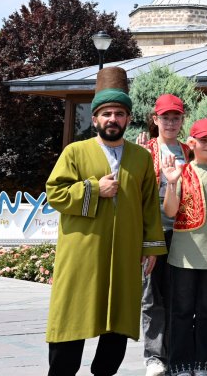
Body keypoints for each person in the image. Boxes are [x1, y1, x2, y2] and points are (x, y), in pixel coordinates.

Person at [44, 67, 167, 376]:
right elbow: (54, 193)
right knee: (72, 316)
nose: (113, 119)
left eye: (120, 113)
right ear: (96, 119)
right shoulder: (75, 151)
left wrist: (151, 247)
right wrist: (94, 189)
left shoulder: (140, 157)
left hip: (125, 254)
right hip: (83, 253)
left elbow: (150, 205)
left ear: (128, 119)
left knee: (118, 320)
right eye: (107, 113)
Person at [164, 118, 207, 376]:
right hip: (184, 257)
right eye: (204, 140)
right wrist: (171, 183)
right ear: (192, 142)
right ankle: (180, 364)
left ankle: (204, 364)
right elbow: (170, 211)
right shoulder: (182, 171)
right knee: (181, 312)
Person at [142, 93, 190, 376]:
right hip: (154, 233)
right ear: (155, 119)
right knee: (152, 296)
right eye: (165, 118)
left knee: (180, 297)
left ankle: (175, 355)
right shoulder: (146, 150)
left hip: (184, 234)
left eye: (176, 118)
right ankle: (154, 356)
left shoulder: (190, 150)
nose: (171, 123)